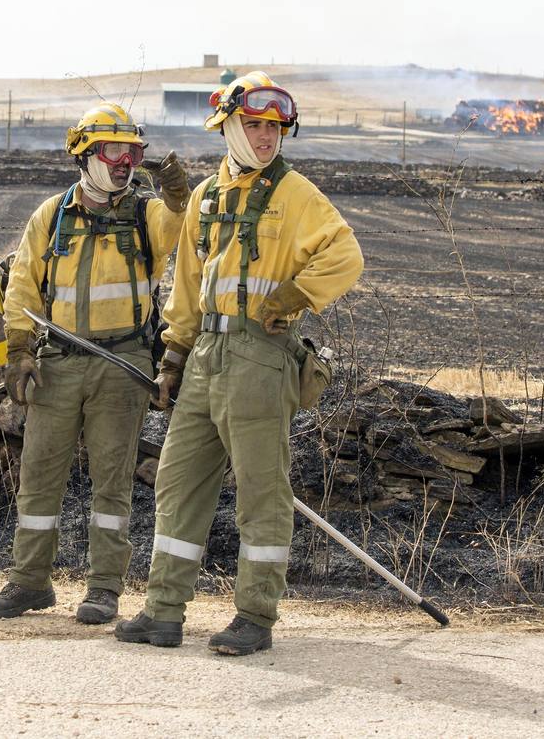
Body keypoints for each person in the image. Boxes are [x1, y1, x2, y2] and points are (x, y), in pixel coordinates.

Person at [114, 71, 364, 655]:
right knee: (178, 481)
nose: (265, 137)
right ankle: (163, 612)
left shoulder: (295, 194)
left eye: (274, 128)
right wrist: (174, 355)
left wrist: (293, 297)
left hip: (261, 355)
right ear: (228, 125)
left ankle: (255, 617)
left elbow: (345, 254)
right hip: (206, 354)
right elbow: (189, 283)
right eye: (253, 125)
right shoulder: (205, 196)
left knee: (260, 492)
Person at [0, 103, 187, 624]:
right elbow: (23, 286)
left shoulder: (146, 214)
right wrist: (19, 351)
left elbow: (187, 230)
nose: (127, 161)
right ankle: (30, 583)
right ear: (86, 155)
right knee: (39, 474)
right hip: (58, 361)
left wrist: (179, 195)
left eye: (134, 151)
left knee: (111, 480)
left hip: (124, 363)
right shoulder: (50, 217)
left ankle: (103, 589)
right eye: (115, 150)